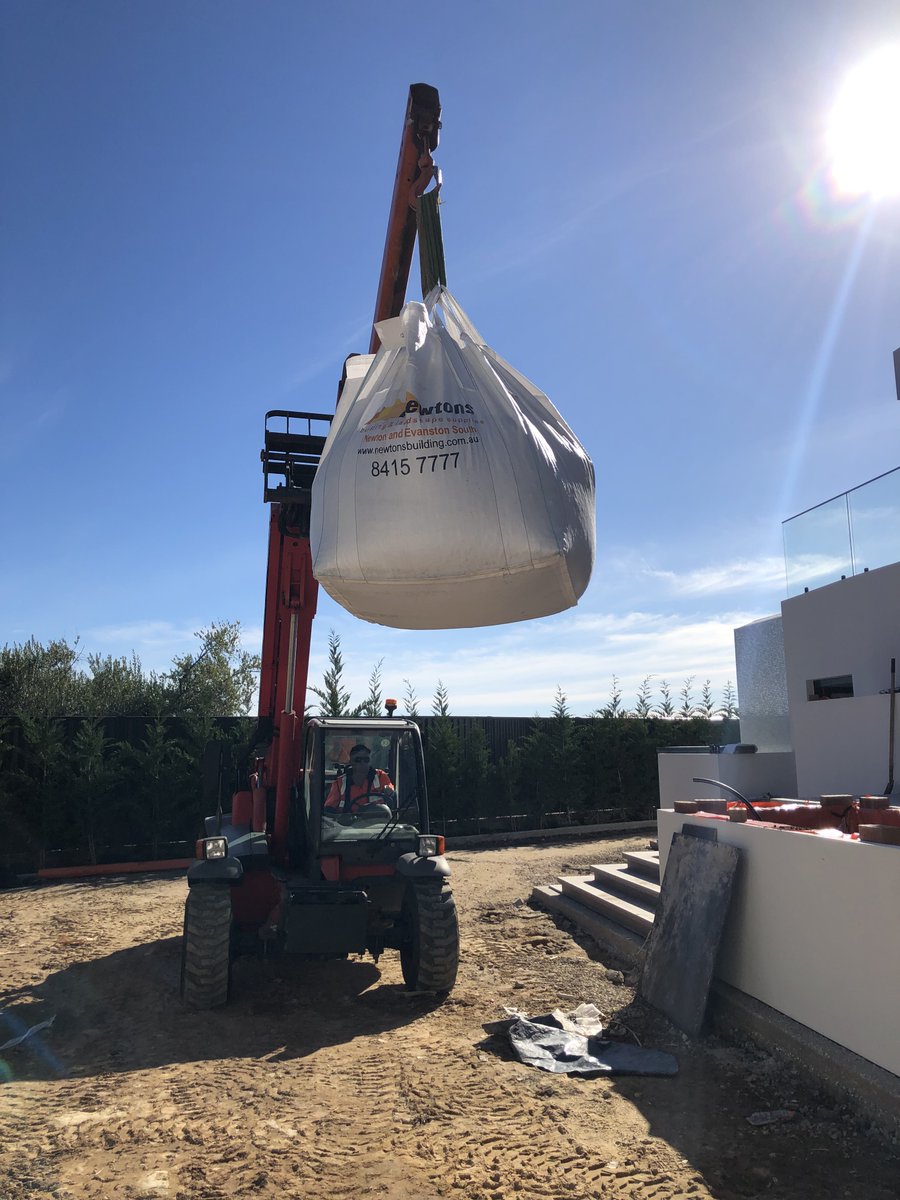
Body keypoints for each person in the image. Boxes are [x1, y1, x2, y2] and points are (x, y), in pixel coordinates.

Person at [325, 743, 396, 814]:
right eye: (358, 760)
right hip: (348, 824)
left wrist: (388, 790)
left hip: (377, 823)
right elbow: (329, 809)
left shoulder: (380, 776)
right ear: (351, 762)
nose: (363, 763)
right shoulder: (339, 783)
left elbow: (390, 792)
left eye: (366, 760)